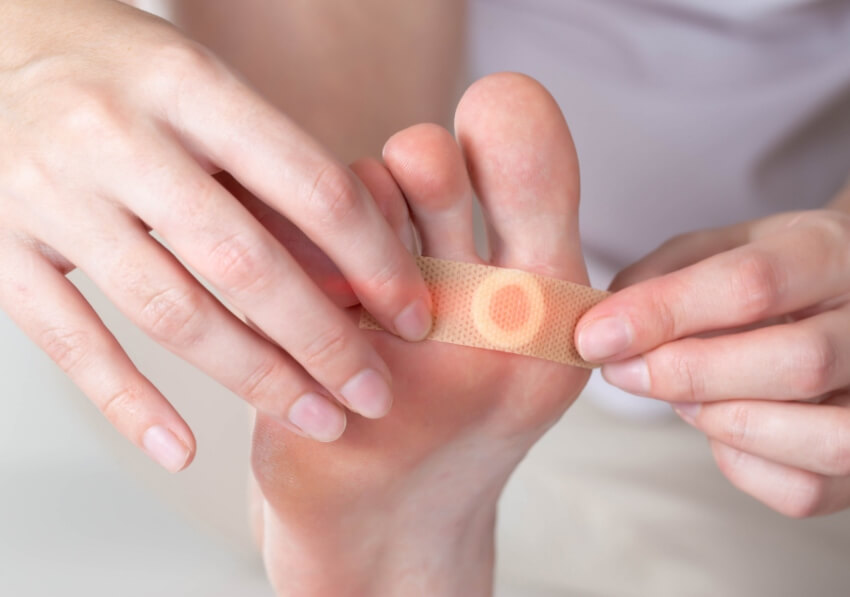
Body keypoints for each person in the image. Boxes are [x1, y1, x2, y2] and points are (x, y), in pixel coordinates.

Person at [2, 0, 850, 595]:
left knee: (762, 555)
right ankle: (349, 321)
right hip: (227, 294)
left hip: (784, 339)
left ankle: (366, 388)